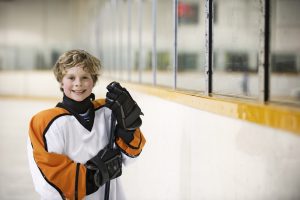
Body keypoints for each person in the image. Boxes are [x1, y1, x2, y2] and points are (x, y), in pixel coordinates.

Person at [27, 49, 146, 200]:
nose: (78, 83)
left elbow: (129, 158)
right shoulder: (45, 123)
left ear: (93, 81)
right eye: (71, 77)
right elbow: (48, 182)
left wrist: (128, 129)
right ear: (61, 81)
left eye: (85, 77)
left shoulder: (108, 111)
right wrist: (95, 174)